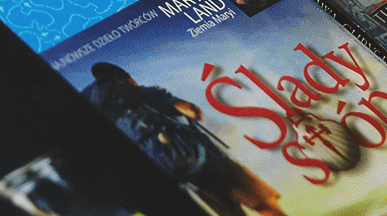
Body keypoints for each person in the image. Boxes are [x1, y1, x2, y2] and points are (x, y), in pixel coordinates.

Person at [81, 62, 287, 216]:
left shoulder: (110, 111)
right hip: (200, 162)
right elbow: (192, 112)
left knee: (236, 208)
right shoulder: (140, 95)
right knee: (254, 202)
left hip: (183, 170)